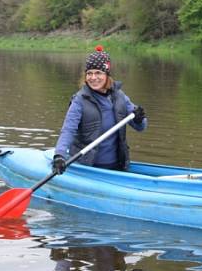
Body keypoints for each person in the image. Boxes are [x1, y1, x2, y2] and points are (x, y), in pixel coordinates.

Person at [52, 45, 147, 174]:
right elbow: (68, 130)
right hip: (88, 167)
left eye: (98, 73)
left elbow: (140, 127)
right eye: (89, 73)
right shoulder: (79, 101)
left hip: (117, 167)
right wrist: (59, 155)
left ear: (107, 75)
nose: (93, 77)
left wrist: (140, 118)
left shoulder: (120, 97)